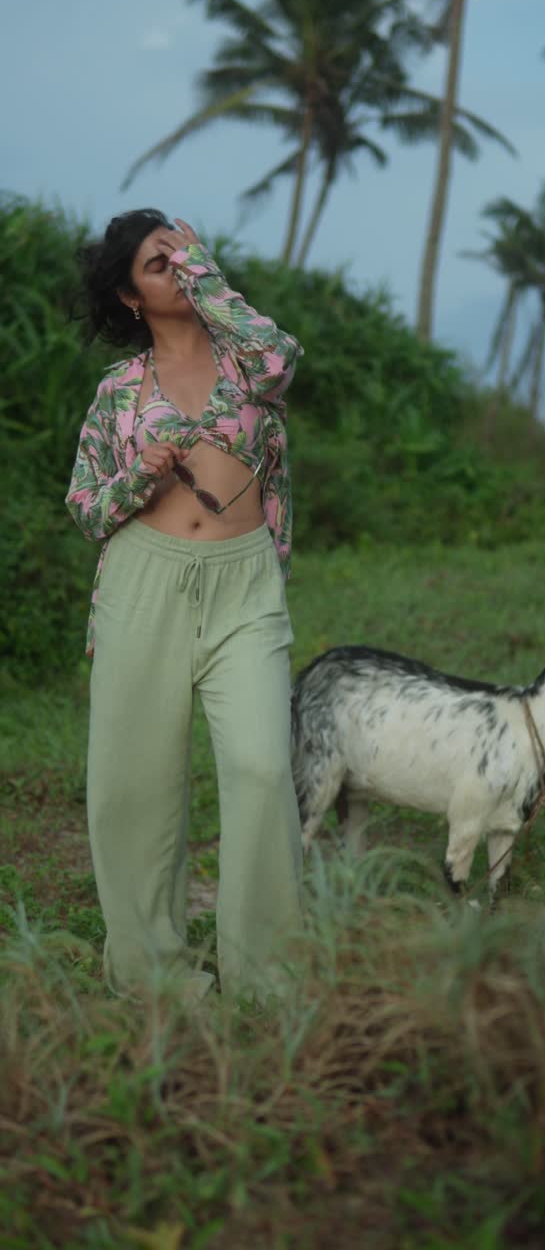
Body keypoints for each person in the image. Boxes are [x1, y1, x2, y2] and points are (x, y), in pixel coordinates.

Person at [66, 209, 304, 1004]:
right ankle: (154, 978)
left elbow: (282, 360)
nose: (177, 266)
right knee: (133, 789)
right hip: (144, 581)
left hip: (243, 583)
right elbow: (88, 509)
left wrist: (203, 273)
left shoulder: (249, 362)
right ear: (132, 298)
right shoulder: (118, 394)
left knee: (263, 767)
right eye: (158, 263)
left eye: (182, 251)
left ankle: (266, 979)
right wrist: (139, 475)